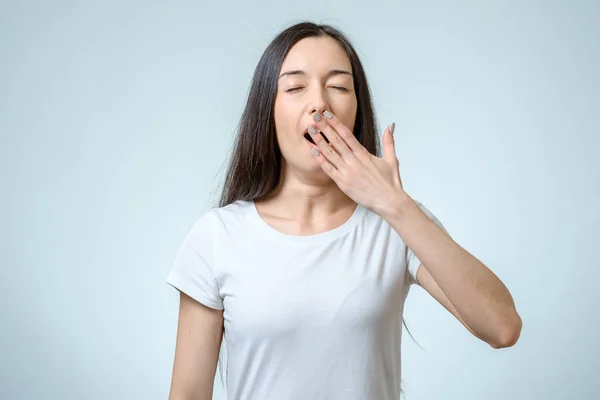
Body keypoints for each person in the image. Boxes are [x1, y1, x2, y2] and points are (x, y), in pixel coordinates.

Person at [165, 21, 522, 400]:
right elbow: (187, 393)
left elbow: (502, 327)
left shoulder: (396, 223)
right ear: (266, 110)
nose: (319, 103)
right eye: (295, 87)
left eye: (337, 86)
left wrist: (394, 205)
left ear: (357, 109)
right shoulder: (218, 236)